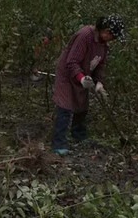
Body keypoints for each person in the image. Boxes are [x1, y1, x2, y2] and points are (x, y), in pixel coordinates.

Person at [51, 14, 125, 155]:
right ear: (106, 31)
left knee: (82, 104)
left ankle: (78, 134)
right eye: (113, 36)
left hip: (84, 73)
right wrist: (81, 78)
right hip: (67, 74)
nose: (113, 40)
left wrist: (99, 83)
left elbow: (100, 64)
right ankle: (58, 143)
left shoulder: (103, 44)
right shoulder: (85, 35)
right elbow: (72, 62)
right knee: (65, 106)